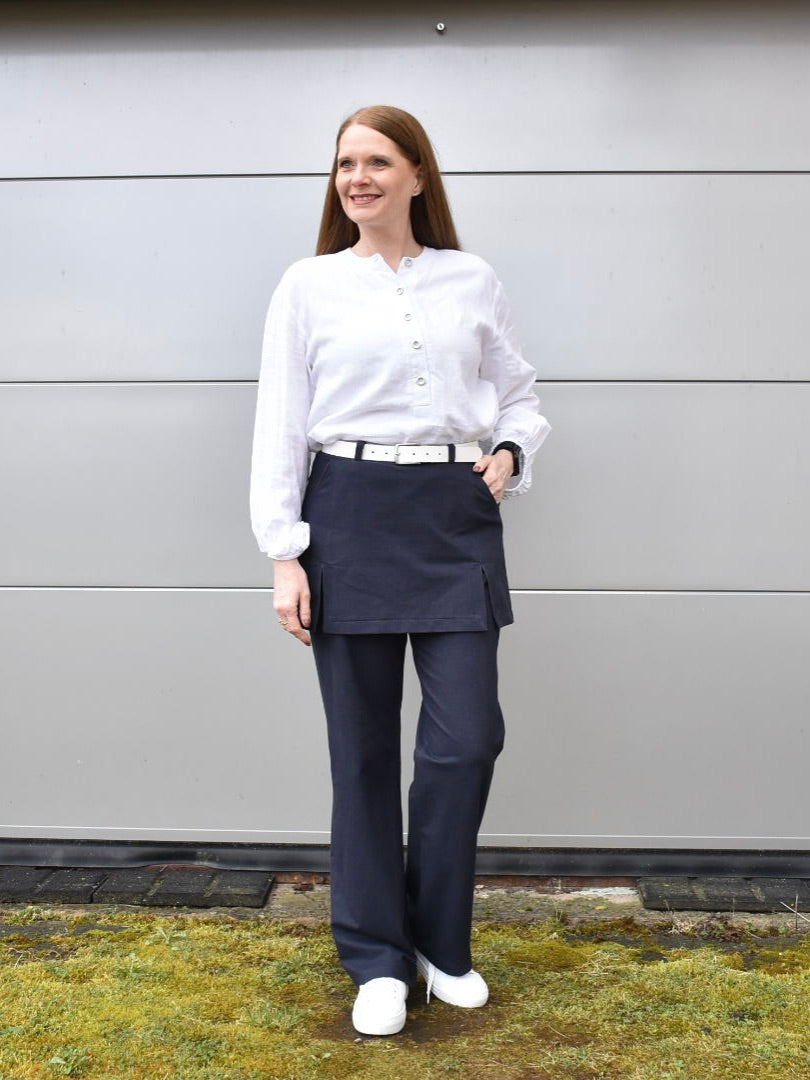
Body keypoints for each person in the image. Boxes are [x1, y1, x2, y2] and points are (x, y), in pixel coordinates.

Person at [250, 105, 550, 1037]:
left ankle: (439, 942)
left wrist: (510, 451)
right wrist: (285, 553)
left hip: (454, 518)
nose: (358, 178)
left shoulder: (471, 279)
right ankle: (378, 959)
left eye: (378, 161)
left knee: (468, 739)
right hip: (347, 512)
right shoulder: (308, 284)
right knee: (365, 750)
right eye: (346, 163)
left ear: (418, 174)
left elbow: (521, 393)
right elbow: (280, 422)